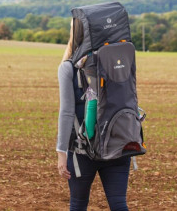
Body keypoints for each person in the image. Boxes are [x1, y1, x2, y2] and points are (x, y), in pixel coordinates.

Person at [56, 18, 131, 211]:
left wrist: (61, 152)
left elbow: (66, 112)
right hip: (118, 145)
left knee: (78, 205)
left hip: (82, 150)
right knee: (119, 204)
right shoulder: (119, 61)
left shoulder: (68, 67)